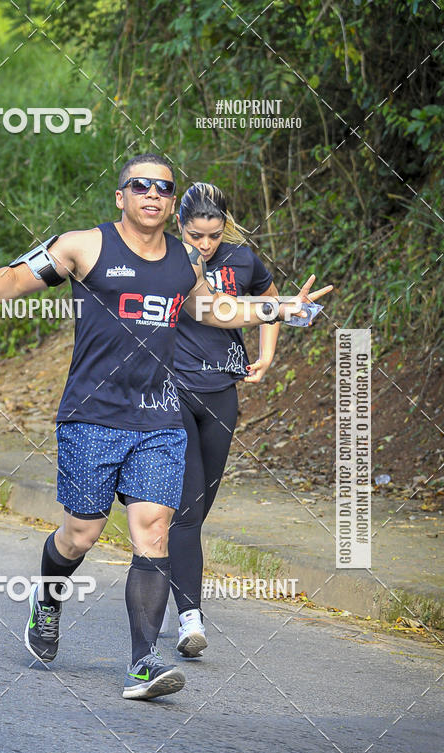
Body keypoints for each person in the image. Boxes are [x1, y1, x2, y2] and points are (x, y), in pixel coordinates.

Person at [0, 154, 331, 700]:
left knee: (153, 531)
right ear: (121, 196)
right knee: (80, 534)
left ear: (172, 202)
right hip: (92, 416)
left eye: (163, 187)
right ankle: (47, 598)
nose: (152, 194)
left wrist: (277, 310)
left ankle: (143, 663)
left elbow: (212, 310)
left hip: (159, 417)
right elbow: (18, 277)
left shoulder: (184, 260)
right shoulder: (84, 246)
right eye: (140, 185)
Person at [161, 182, 284, 657]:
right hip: (171, 391)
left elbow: (270, 302)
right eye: (196, 235)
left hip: (221, 394)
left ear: (225, 227)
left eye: (214, 235)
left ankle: (161, 567)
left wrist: (266, 356)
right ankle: (189, 619)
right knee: (187, 510)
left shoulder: (243, 260)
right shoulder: (165, 257)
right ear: (179, 224)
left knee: (198, 509)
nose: (206, 244)